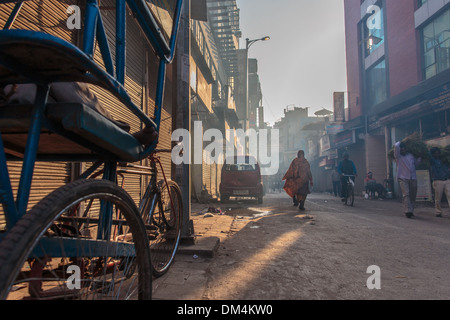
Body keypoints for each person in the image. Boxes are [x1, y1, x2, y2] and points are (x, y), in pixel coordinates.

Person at [394, 141, 421, 218]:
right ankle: (407, 211)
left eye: (403, 149)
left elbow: (416, 164)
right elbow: (396, 146)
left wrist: (419, 157)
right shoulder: (398, 156)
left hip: (413, 178)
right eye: (401, 149)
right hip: (403, 178)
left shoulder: (411, 156)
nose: (402, 150)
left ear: (406, 149)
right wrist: (402, 141)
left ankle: (411, 210)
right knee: (406, 194)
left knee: (413, 195)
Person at [429, 147, 450, 217]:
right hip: (438, 180)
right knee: (438, 197)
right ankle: (438, 212)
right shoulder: (433, 161)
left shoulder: (444, 160)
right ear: (433, 154)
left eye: (438, 153)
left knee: (449, 195)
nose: (437, 155)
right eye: (435, 154)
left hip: (447, 180)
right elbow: (428, 155)